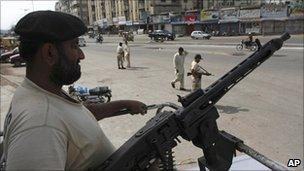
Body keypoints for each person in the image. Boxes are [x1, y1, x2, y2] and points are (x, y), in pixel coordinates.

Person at [1, 11, 147, 170]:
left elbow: (77, 118)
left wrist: (123, 104)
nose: (81, 55)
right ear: (49, 53)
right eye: (74, 46)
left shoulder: (44, 91)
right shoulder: (40, 125)